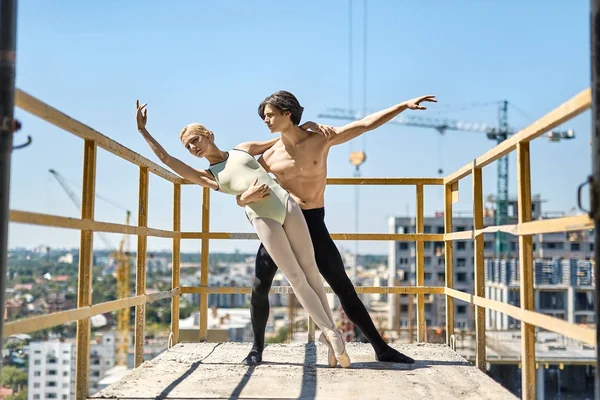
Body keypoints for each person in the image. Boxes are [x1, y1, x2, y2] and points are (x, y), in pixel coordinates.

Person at [134, 100, 351, 368]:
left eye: (195, 139)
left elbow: (284, 136)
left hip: (288, 204)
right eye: (188, 146)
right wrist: (144, 132)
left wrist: (310, 126)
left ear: (208, 134)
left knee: (310, 271)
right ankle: (331, 332)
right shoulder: (209, 175)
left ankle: (332, 339)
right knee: (295, 277)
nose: (193, 147)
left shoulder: (243, 149)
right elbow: (168, 160)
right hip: (263, 217)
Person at [238, 91, 437, 367]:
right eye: (264, 116)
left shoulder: (320, 138)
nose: (266, 120)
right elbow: (240, 187)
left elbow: (365, 125)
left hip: (314, 221)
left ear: (288, 113)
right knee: (260, 286)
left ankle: (381, 348)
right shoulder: (269, 156)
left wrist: (403, 105)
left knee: (342, 286)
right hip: (282, 222)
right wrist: (243, 199)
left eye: (270, 114)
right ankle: (256, 350)